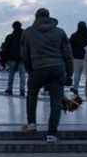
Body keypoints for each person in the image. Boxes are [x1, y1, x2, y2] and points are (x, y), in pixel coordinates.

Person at [21, 9, 74, 143]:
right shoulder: (60, 32)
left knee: (32, 95)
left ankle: (32, 124)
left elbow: (24, 54)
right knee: (56, 101)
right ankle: (51, 133)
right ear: (49, 17)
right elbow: (68, 55)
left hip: (37, 69)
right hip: (57, 68)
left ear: (36, 17)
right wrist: (69, 74)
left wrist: (29, 69)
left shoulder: (28, 32)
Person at [0, 21, 26, 97]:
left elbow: (5, 49)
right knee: (22, 76)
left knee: (11, 75)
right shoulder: (25, 37)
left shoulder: (10, 36)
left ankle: (10, 89)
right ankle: (22, 90)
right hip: (22, 59)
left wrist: (3, 60)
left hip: (12, 59)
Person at [69, 21, 87, 95]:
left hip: (77, 58)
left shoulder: (74, 35)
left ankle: (75, 88)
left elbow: (70, 46)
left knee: (77, 74)